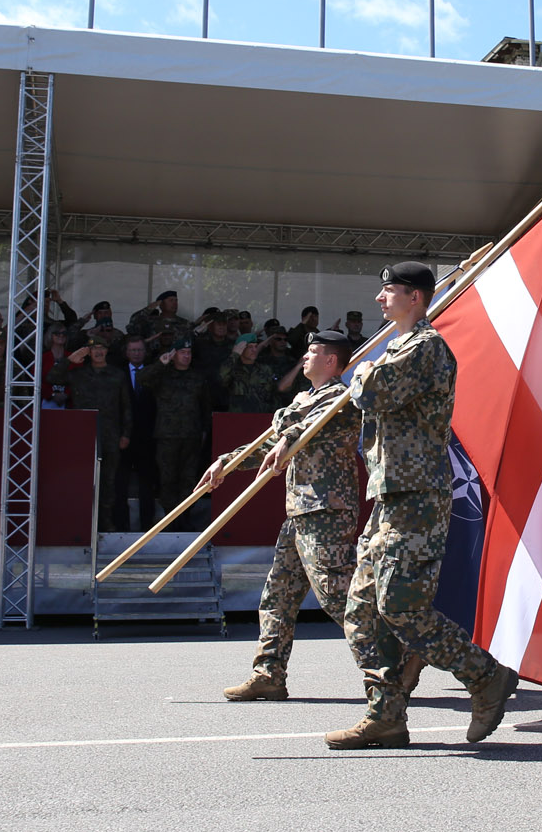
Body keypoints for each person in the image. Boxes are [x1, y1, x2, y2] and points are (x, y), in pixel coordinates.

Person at [329, 262, 517, 750]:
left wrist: (362, 370)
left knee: (401, 607)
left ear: (414, 297)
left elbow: (370, 391)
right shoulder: (397, 347)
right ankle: (386, 715)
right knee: (362, 609)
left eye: (387, 290)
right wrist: (368, 370)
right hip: (389, 493)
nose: (379, 299)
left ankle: (485, 675)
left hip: (416, 497)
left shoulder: (425, 347)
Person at [212, 330, 367, 701]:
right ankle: (268, 673)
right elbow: (271, 443)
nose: (304, 359)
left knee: (337, 595)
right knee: (278, 595)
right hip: (299, 510)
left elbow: (307, 431)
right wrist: (226, 464)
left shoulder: (340, 399)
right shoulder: (305, 398)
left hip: (327, 511)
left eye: (312, 352)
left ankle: (396, 660)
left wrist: (289, 430)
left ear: (331, 360)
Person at [67, 341, 133, 532]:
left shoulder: (117, 375)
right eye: (95, 349)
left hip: (111, 435)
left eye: (102, 349)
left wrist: (126, 434)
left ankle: (105, 522)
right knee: (83, 479)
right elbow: (52, 377)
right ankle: (83, 522)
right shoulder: (78, 374)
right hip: (84, 435)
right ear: (88, 352)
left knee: (108, 481)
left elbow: (126, 406)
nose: (99, 352)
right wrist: (69, 360)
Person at [141, 343, 214, 512]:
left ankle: (185, 516)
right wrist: (161, 363)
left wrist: (204, 431)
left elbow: (205, 406)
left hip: (192, 435)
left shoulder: (198, 377)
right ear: (174, 355)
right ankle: (169, 518)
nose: (186, 356)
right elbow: (142, 380)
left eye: (189, 353)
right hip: (167, 435)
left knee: (188, 478)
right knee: (168, 478)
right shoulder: (163, 375)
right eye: (182, 353)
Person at [118, 338, 159, 530]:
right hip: (122, 436)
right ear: (126, 352)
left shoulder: (153, 373)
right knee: (121, 482)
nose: (136, 353)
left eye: (140, 350)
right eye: (132, 350)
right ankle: (122, 524)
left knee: (146, 483)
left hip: (147, 436)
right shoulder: (118, 373)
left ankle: (147, 525)